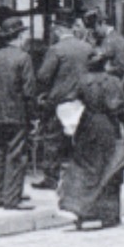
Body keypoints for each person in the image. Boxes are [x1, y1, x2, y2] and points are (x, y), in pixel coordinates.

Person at [59, 51, 124, 229]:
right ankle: (110, 214)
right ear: (105, 64)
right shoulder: (113, 82)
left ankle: (83, 212)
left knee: (86, 170)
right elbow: (121, 110)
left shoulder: (83, 81)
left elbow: (69, 99)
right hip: (108, 127)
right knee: (110, 170)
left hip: (88, 126)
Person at [0, 18, 37, 210]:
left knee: (0, 154)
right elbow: (29, 91)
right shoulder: (24, 58)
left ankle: (1, 195)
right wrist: (33, 117)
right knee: (17, 155)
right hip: (17, 114)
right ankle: (13, 198)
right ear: (19, 36)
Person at [34, 16, 91, 190]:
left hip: (60, 101)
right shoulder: (87, 48)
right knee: (81, 140)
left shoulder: (56, 50)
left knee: (52, 140)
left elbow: (43, 76)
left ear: (58, 29)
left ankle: (51, 178)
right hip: (83, 100)